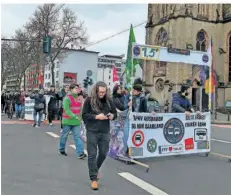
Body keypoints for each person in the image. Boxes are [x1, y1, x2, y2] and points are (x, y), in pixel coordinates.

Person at [82, 81, 117, 190]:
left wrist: (112, 116)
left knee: (103, 153)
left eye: (104, 92)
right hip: (92, 131)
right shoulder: (89, 100)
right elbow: (84, 115)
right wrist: (97, 117)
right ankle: (93, 179)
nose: (102, 94)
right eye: (100, 92)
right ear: (96, 90)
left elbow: (115, 114)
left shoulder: (109, 100)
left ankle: (95, 170)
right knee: (92, 154)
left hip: (105, 131)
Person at [59, 84, 87, 159]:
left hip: (76, 122)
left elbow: (81, 109)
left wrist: (81, 117)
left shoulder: (79, 98)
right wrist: (74, 116)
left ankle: (80, 153)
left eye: (78, 88)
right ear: (71, 89)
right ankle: (61, 149)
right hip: (67, 121)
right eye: (75, 88)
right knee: (64, 136)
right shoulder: (67, 98)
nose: (77, 89)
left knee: (77, 137)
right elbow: (67, 110)